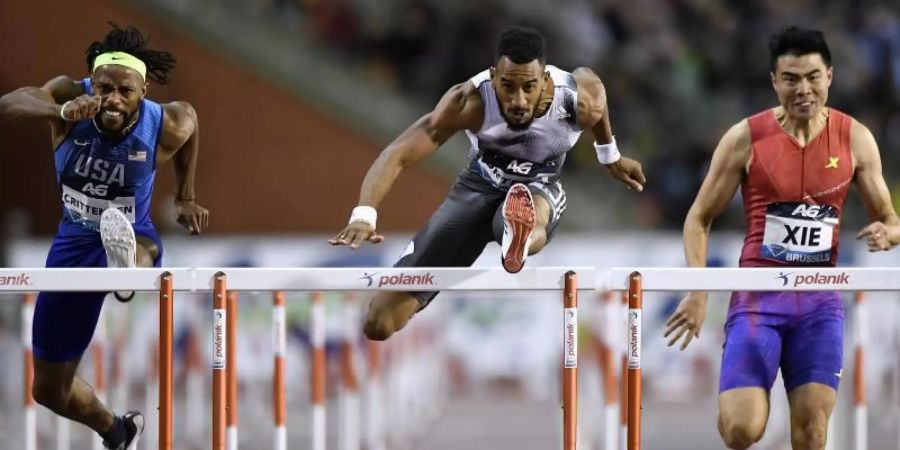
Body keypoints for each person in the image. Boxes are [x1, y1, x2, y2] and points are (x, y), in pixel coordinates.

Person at [664, 27, 900, 450]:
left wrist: (891, 231)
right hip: (759, 300)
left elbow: (891, 219)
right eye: (791, 78)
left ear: (830, 75)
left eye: (813, 76)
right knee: (742, 430)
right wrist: (698, 293)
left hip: (819, 304)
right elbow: (698, 218)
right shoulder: (745, 139)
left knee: (811, 434)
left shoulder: (856, 139)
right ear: (775, 81)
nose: (803, 89)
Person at [330, 26, 646, 341]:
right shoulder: (468, 101)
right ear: (494, 76)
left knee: (527, 210)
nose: (518, 100)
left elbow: (597, 97)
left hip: (540, 187)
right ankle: (506, 235)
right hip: (476, 189)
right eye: (507, 87)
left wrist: (610, 156)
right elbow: (399, 153)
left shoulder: (577, 101)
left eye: (529, 87)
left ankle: (517, 236)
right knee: (379, 322)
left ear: (545, 81)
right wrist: (364, 214)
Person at [0, 23, 209, 449]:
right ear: (90, 83)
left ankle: (125, 269)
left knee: (138, 252)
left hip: (135, 231)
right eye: (103, 88)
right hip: (73, 242)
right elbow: (9, 104)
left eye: (125, 92)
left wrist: (186, 196)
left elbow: (191, 127)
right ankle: (117, 430)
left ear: (144, 90)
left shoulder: (166, 121)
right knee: (48, 391)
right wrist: (61, 112)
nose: (112, 100)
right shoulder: (67, 95)